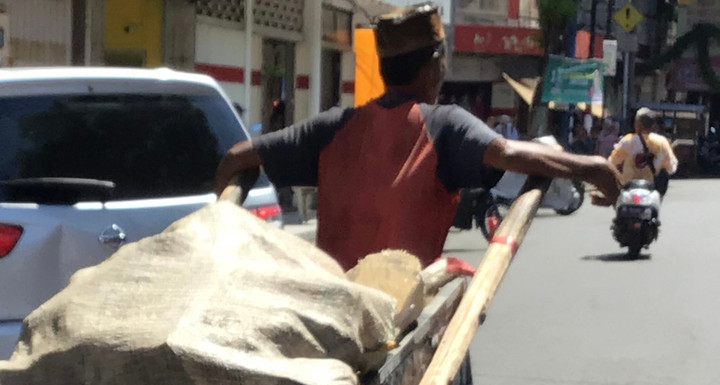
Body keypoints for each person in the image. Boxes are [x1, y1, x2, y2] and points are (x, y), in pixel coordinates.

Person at [214, 3, 620, 271]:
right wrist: (593, 166)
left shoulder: (331, 128)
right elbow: (508, 152)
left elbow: (236, 157)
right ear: (434, 68)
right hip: (405, 324)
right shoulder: (442, 124)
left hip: (334, 319)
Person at [608, 107, 678, 196]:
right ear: (653, 125)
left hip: (629, 189)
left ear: (637, 124)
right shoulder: (662, 142)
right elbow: (671, 168)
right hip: (651, 191)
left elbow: (612, 162)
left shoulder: (628, 140)